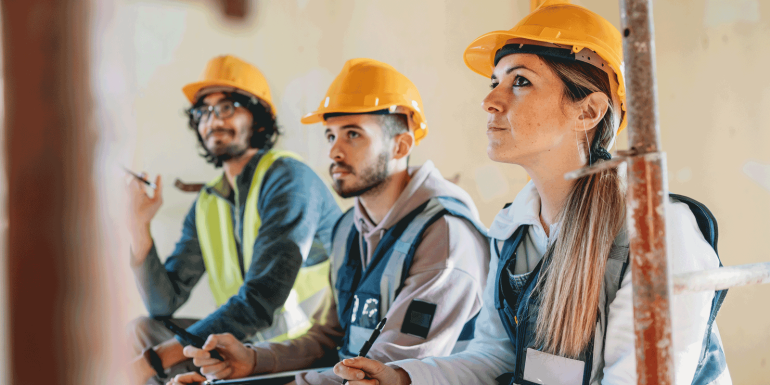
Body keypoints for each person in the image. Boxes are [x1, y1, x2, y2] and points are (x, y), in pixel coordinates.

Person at [332, 1, 732, 384]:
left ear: (588, 111)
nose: (490, 101)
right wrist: (404, 377)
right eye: (494, 82)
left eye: (520, 81)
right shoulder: (513, 228)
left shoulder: (658, 233)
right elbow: (496, 357)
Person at [170, 58, 491, 385]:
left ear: (401, 145)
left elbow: (383, 373)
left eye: (353, 134)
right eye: (329, 136)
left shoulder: (445, 236)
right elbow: (327, 338)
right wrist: (252, 360)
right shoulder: (348, 231)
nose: (334, 152)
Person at [126, 55, 342, 384]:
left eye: (226, 107)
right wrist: (139, 225)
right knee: (142, 331)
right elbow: (163, 303)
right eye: (203, 112)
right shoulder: (208, 202)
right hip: (243, 338)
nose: (213, 120)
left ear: (258, 119)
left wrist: (154, 361)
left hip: (300, 345)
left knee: (152, 356)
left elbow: (261, 300)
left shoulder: (289, 180)